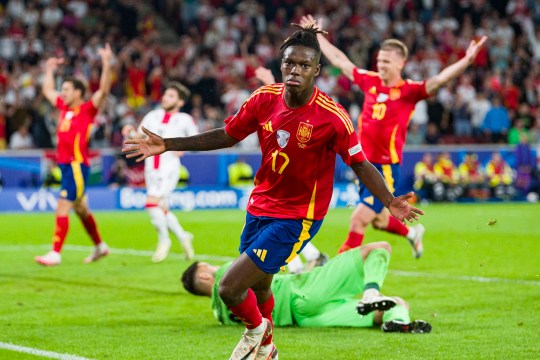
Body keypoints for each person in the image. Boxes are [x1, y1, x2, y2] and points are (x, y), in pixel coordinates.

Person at [123, 23, 422, 360]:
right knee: (260, 285)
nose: (295, 70)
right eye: (289, 63)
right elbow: (228, 134)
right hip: (260, 207)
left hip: (297, 217)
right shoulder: (265, 98)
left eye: (304, 65)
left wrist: (389, 200)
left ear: (317, 71)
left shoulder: (332, 117)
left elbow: (361, 164)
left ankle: (256, 333)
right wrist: (168, 144)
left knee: (229, 288)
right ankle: (268, 350)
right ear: (282, 65)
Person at [300, 14, 487, 257]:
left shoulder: (409, 91)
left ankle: (336, 273)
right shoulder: (370, 81)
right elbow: (341, 60)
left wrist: (467, 60)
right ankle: (412, 233)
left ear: (400, 63)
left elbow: (440, 80)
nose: (381, 64)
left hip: (384, 168)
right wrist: (317, 37)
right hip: (362, 165)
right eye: (379, 59)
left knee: (358, 220)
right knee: (377, 220)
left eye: (386, 61)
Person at [182, 242, 431, 333]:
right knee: (379, 248)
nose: (214, 267)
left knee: (397, 305)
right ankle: (371, 293)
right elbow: (269, 269)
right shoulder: (228, 277)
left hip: (304, 319)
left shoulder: (220, 315)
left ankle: (396, 322)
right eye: (208, 267)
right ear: (204, 276)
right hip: (303, 292)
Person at [35, 44, 113, 266]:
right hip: (66, 165)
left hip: (77, 165)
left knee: (63, 205)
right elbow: (47, 91)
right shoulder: (63, 108)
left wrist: (107, 63)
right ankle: (100, 246)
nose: (62, 92)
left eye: (67, 89)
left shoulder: (87, 109)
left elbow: (104, 91)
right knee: (80, 209)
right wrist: (49, 69)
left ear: (78, 92)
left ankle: (55, 253)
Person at [123, 82, 198, 263]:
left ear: (180, 102)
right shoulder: (153, 115)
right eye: (165, 94)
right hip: (151, 167)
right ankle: (182, 236)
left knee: (151, 203)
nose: (165, 97)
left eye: (171, 96)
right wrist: (129, 131)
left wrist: (185, 146)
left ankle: (164, 241)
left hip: (169, 167)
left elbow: (196, 140)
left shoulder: (184, 119)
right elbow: (140, 136)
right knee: (161, 208)